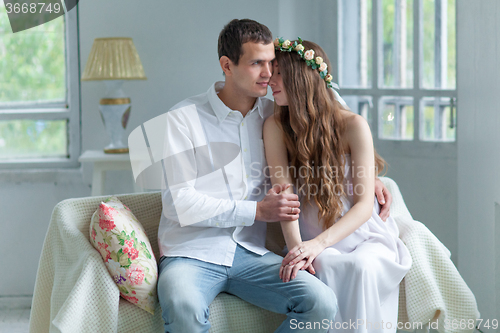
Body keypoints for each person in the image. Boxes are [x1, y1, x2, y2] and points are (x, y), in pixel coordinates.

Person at [156, 20, 393, 333]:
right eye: (257, 64)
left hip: (250, 253)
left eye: (271, 64)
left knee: (320, 303)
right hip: (191, 253)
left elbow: (327, 113)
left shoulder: (275, 114)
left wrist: (363, 175)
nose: (268, 74)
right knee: (183, 305)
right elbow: (177, 204)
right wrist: (256, 211)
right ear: (227, 65)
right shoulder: (182, 119)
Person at [264, 38, 412, 333]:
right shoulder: (276, 126)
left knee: (361, 267)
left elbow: (362, 206)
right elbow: (285, 195)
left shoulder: (353, 125)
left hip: (363, 234)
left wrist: (317, 244)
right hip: (311, 237)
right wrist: (298, 250)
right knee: (329, 265)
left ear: (301, 77)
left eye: (279, 72)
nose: (270, 80)